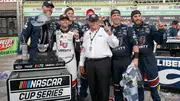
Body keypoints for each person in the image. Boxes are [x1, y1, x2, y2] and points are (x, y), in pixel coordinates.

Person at [79, 14, 119, 101]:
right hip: (89, 63)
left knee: (104, 88)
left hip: (103, 63)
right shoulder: (86, 34)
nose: (93, 23)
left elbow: (115, 44)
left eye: (95, 21)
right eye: (91, 21)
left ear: (98, 21)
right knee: (92, 88)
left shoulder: (105, 31)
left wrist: (109, 33)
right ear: (88, 22)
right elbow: (84, 50)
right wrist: (81, 63)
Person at [131, 10, 167, 101]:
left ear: (141, 16)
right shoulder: (130, 29)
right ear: (132, 18)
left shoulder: (150, 27)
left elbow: (160, 41)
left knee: (154, 85)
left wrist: (161, 30)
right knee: (138, 85)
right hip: (136, 59)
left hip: (149, 58)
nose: (137, 18)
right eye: (135, 16)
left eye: (139, 16)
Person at [110, 9, 139, 101]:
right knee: (117, 87)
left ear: (120, 16)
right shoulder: (107, 30)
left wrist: (136, 58)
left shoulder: (128, 28)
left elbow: (135, 43)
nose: (116, 17)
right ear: (111, 18)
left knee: (130, 87)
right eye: (114, 15)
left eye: (117, 15)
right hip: (113, 62)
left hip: (126, 61)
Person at [53, 14, 80, 101]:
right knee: (59, 83)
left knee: (72, 84)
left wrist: (77, 39)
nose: (65, 21)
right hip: (59, 62)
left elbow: (77, 49)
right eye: (63, 20)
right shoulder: (55, 33)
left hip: (71, 61)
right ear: (59, 22)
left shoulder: (73, 33)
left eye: (66, 20)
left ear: (69, 22)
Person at [78, 8, 95, 101]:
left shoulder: (99, 27)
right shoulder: (82, 27)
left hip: (96, 56)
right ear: (86, 17)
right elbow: (78, 39)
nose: (90, 17)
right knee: (84, 76)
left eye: (92, 15)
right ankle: (82, 94)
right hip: (85, 54)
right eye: (89, 15)